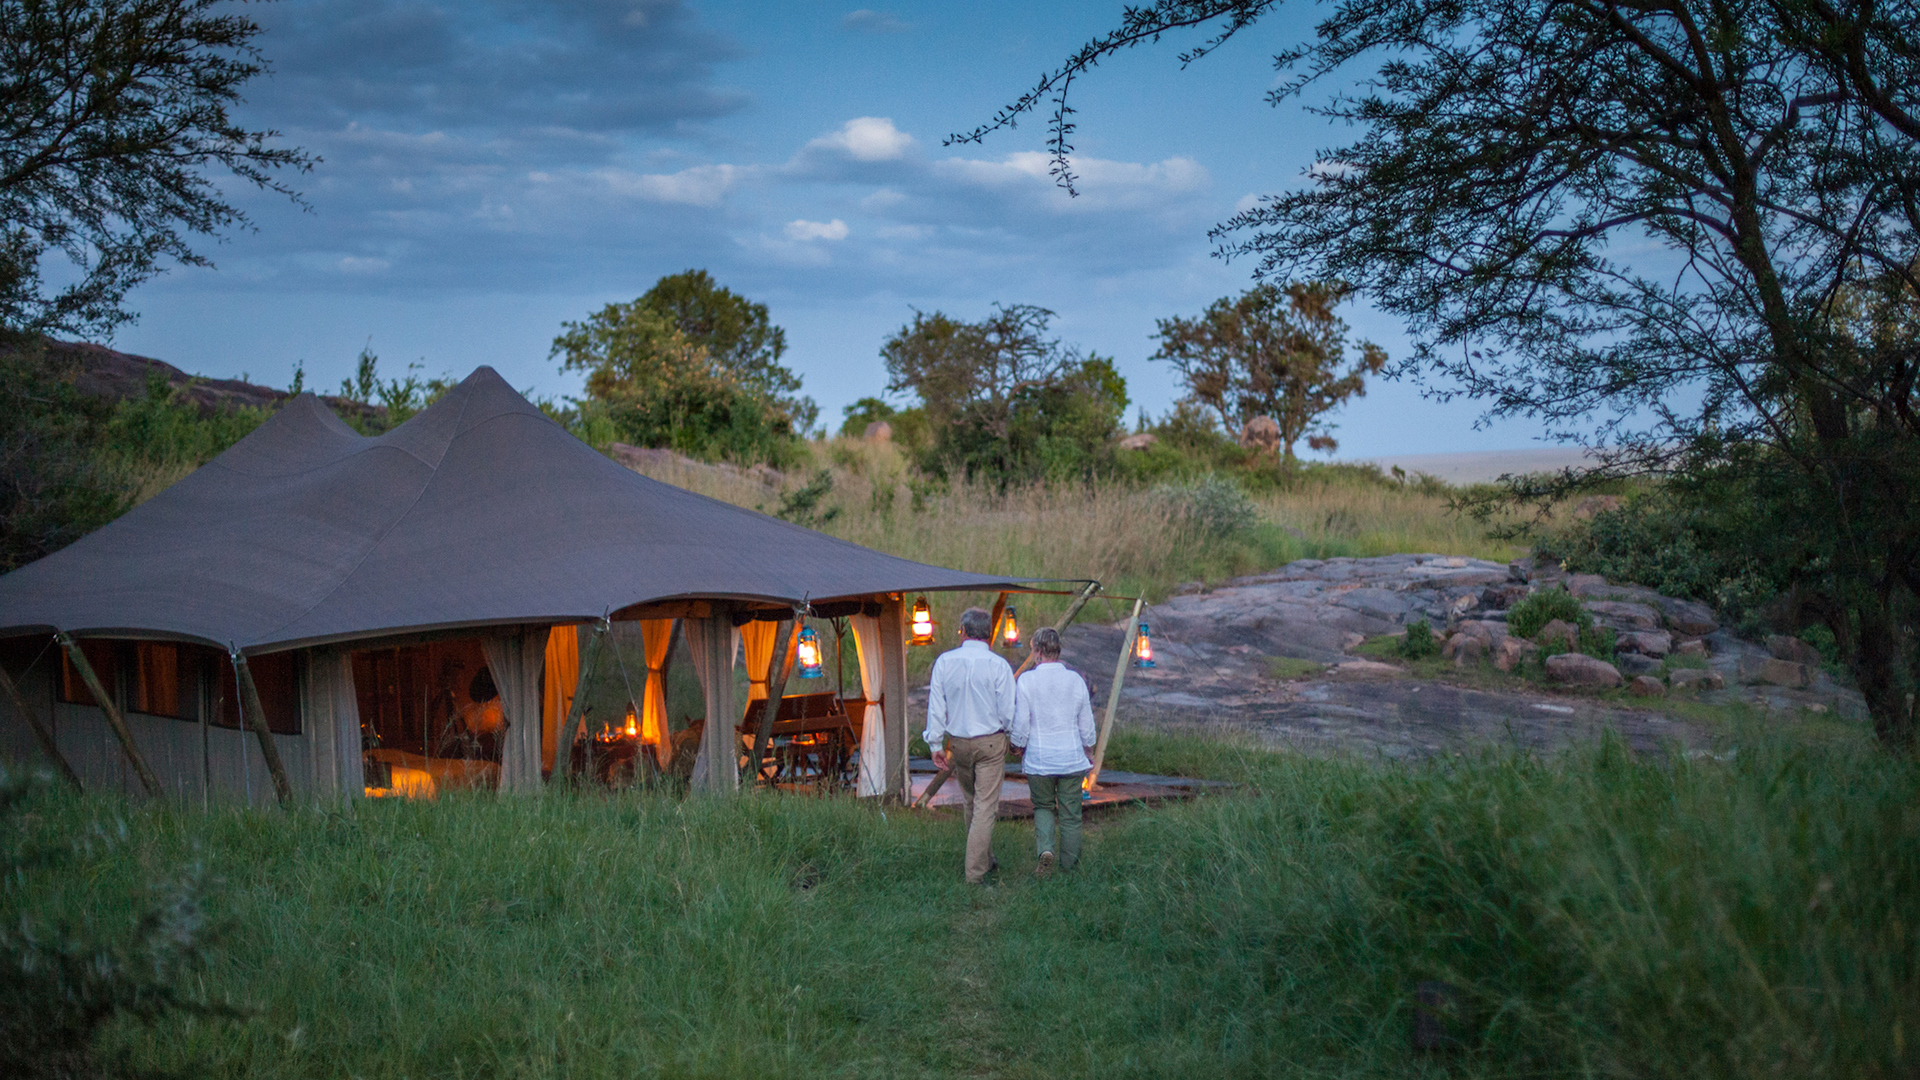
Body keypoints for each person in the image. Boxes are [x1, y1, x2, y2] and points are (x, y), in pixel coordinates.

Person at [925, 606, 1016, 884]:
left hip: (959, 744)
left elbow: (936, 707)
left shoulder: (944, 661)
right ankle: (975, 874)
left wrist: (935, 744)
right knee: (986, 807)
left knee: (971, 802)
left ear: (963, 632)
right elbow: (1008, 711)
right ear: (989, 635)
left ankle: (985, 858)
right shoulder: (999, 665)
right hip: (990, 743)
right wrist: (1014, 738)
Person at [1009, 627, 1096, 877]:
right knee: (1071, 815)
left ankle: (1045, 850)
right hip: (1071, 759)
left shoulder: (1026, 681)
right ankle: (1069, 867)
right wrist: (1088, 748)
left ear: (1036, 652)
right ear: (1058, 650)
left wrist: (1017, 745)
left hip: (1039, 760)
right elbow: (1086, 724)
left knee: (1043, 807)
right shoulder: (1075, 680)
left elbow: (1022, 724)